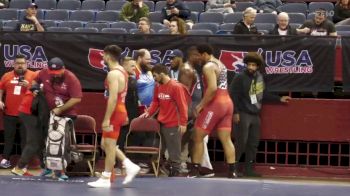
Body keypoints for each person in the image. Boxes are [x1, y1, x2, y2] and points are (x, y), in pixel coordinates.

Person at [229, 52, 291, 177]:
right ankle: (233, 169)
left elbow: (263, 94)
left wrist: (279, 99)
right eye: (249, 64)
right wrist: (235, 112)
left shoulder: (259, 77)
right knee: (241, 142)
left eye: (254, 65)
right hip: (243, 113)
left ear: (258, 66)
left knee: (253, 143)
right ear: (246, 64)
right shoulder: (239, 77)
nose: (251, 67)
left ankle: (249, 170)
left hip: (255, 114)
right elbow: (232, 96)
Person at [87, 45, 140, 188]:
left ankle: (105, 178)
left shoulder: (113, 74)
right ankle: (129, 165)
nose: (102, 58)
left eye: (103, 55)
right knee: (105, 144)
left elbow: (113, 99)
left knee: (109, 145)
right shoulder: (122, 71)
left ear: (108, 56)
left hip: (116, 111)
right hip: (120, 110)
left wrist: (106, 118)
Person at [188, 44, 238, 178]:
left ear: (204, 54)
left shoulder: (208, 66)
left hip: (216, 104)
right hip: (228, 103)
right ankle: (232, 171)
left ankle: (195, 170)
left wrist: (200, 106)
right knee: (226, 139)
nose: (198, 58)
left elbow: (212, 89)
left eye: (198, 55)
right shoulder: (220, 63)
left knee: (197, 137)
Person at [34, 57, 82, 180]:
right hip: (50, 114)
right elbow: (34, 80)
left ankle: (62, 172)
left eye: (57, 73)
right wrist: (34, 88)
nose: (55, 75)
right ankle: (49, 168)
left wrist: (61, 109)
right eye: (52, 73)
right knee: (48, 141)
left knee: (62, 142)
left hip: (67, 114)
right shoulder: (44, 72)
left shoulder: (71, 78)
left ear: (63, 69)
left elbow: (76, 98)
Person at [140, 64, 188, 177]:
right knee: (158, 147)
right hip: (160, 122)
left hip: (173, 123)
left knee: (174, 150)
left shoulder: (176, 87)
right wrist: (149, 113)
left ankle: (176, 171)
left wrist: (183, 123)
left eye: (155, 76)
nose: (154, 78)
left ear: (162, 74)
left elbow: (183, 106)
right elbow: (156, 102)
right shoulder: (158, 86)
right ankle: (156, 167)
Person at [177, 47, 215, 177]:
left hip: (193, 110)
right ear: (193, 55)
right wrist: (186, 113)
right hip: (188, 111)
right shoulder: (187, 70)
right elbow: (184, 94)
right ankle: (177, 164)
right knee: (184, 138)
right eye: (198, 56)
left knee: (192, 139)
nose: (200, 58)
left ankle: (185, 164)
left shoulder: (193, 70)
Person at [0, 54, 37, 169]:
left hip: (26, 114)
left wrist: (29, 86)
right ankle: (5, 160)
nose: (20, 65)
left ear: (26, 64)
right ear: (14, 64)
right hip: (9, 113)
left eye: (22, 63)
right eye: (18, 63)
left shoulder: (33, 75)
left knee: (25, 139)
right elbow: (0, 89)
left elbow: (40, 93)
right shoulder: (7, 76)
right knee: (8, 138)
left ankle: (23, 163)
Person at [11, 73, 50, 176]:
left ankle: (46, 168)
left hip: (33, 113)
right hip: (29, 113)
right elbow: (34, 88)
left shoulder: (46, 80)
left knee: (41, 142)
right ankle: (19, 167)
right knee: (34, 143)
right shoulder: (40, 77)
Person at [117, 57, 139, 152]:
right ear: (124, 66)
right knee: (121, 136)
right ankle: (118, 162)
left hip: (133, 113)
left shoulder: (131, 78)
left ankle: (128, 160)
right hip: (124, 113)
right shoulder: (121, 79)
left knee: (132, 137)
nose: (134, 68)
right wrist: (124, 114)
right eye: (132, 66)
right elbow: (118, 99)